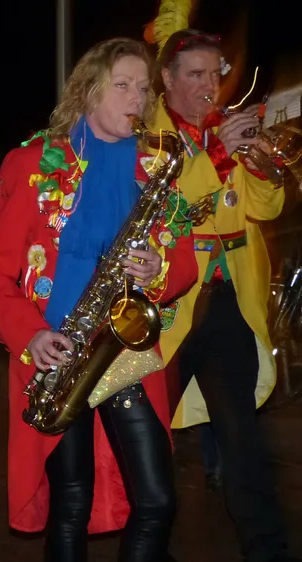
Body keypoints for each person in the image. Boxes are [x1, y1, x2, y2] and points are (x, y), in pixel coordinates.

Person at [0, 38, 199, 561]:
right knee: (70, 504)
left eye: (143, 88)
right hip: (58, 352)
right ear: (89, 90)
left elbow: (186, 261)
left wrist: (159, 269)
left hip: (122, 350)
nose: (137, 98)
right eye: (122, 85)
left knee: (158, 501)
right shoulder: (31, 164)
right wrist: (31, 334)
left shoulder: (158, 168)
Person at [150, 28, 299, 562]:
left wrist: (260, 163)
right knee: (150, 439)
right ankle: (148, 547)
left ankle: (267, 549)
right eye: (195, 74)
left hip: (228, 301)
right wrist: (215, 154)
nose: (209, 86)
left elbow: (264, 207)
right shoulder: (145, 137)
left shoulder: (223, 131)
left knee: (242, 439)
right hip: (167, 306)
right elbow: (165, 206)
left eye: (215, 74)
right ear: (166, 79)